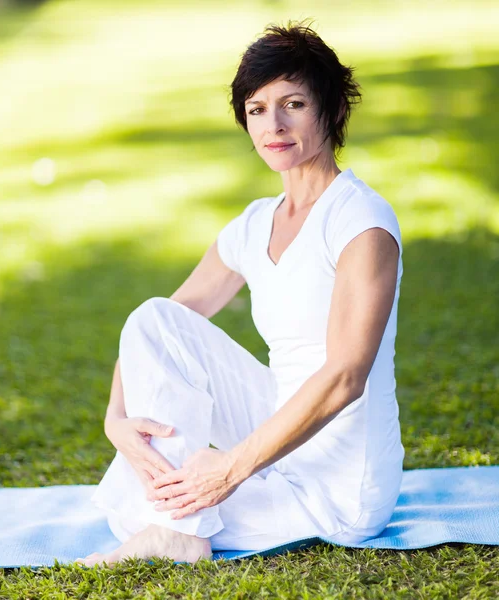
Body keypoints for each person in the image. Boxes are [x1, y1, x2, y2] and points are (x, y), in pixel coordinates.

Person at [76, 19, 405, 567]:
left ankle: (178, 530)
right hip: (275, 446)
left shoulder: (361, 222)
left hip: (340, 487)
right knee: (155, 317)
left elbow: (346, 377)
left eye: (293, 104)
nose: (273, 124)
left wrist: (229, 468)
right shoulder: (254, 224)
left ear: (333, 110)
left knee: (139, 507)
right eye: (256, 109)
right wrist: (115, 420)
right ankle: (179, 524)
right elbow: (164, 324)